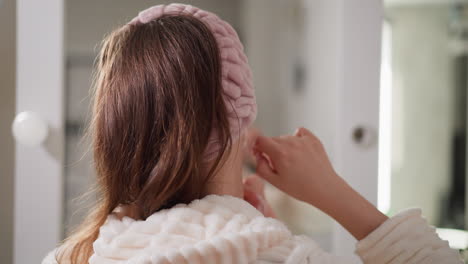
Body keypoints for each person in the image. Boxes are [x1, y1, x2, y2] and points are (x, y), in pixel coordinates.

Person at [43, 4, 463, 264]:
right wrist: (332, 191)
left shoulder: (73, 256)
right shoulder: (292, 259)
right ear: (238, 115)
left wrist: (257, 229)